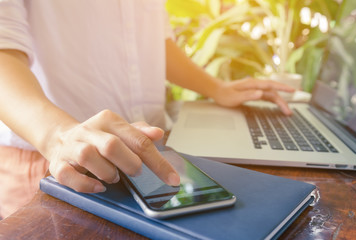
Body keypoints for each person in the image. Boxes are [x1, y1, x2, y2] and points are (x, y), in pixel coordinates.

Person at [0, 0, 294, 219]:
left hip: (150, 156)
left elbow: (155, 41)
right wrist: (57, 135)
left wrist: (217, 88)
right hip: (58, 164)